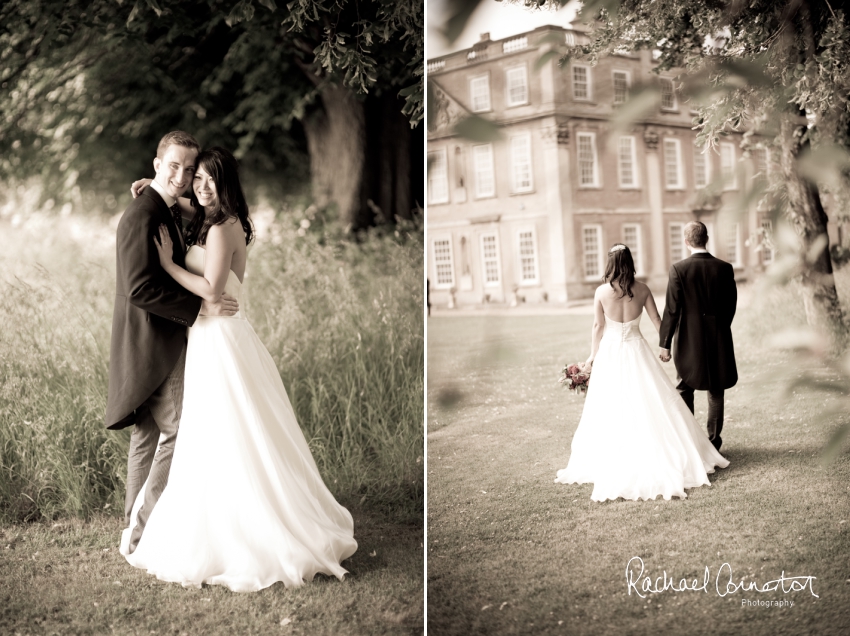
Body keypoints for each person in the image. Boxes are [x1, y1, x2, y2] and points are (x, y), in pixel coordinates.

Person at [119, 147, 357, 591]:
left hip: (222, 337)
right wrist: (147, 186)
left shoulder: (225, 228)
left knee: (233, 430)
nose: (201, 186)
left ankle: (250, 530)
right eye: (197, 178)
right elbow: (186, 199)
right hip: (208, 339)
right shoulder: (209, 215)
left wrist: (169, 264)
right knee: (211, 432)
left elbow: (211, 290)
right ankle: (213, 518)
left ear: (226, 184)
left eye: (211, 179)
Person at [104, 131, 239, 555]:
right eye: (174, 166)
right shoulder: (143, 215)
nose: (182, 177)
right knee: (176, 431)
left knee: (148, 435)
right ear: (158, 162)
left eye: (189, 168)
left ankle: (133, 531)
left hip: (162, 338)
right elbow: (139, 289)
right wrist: (200, 309)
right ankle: (142, 532)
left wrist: (155, 186)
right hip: (154, 341)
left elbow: (192, 206)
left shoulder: (163, 207)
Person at [554, 243, 728, 501]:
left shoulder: (601, 292)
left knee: (611, 406)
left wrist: (593, 356)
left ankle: (617, 456)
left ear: (610, 264)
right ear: (630, 262)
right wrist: (665, 346)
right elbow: (658, 320)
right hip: (638, 351)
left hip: (611, 353)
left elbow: (597, 326)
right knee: (651, 402)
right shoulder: (643, 289)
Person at [659, 221, 738, 451]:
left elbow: (672, 310)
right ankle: (714, 442)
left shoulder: (678, 269)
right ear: (707, 239)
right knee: (716, 389)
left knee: (684, 387)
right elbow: (730, 305)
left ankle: (691, 442)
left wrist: (664, 343)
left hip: (688, 340)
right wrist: (720, 327)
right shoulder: (725, 268)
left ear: (686, 242)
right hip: (719, 338)